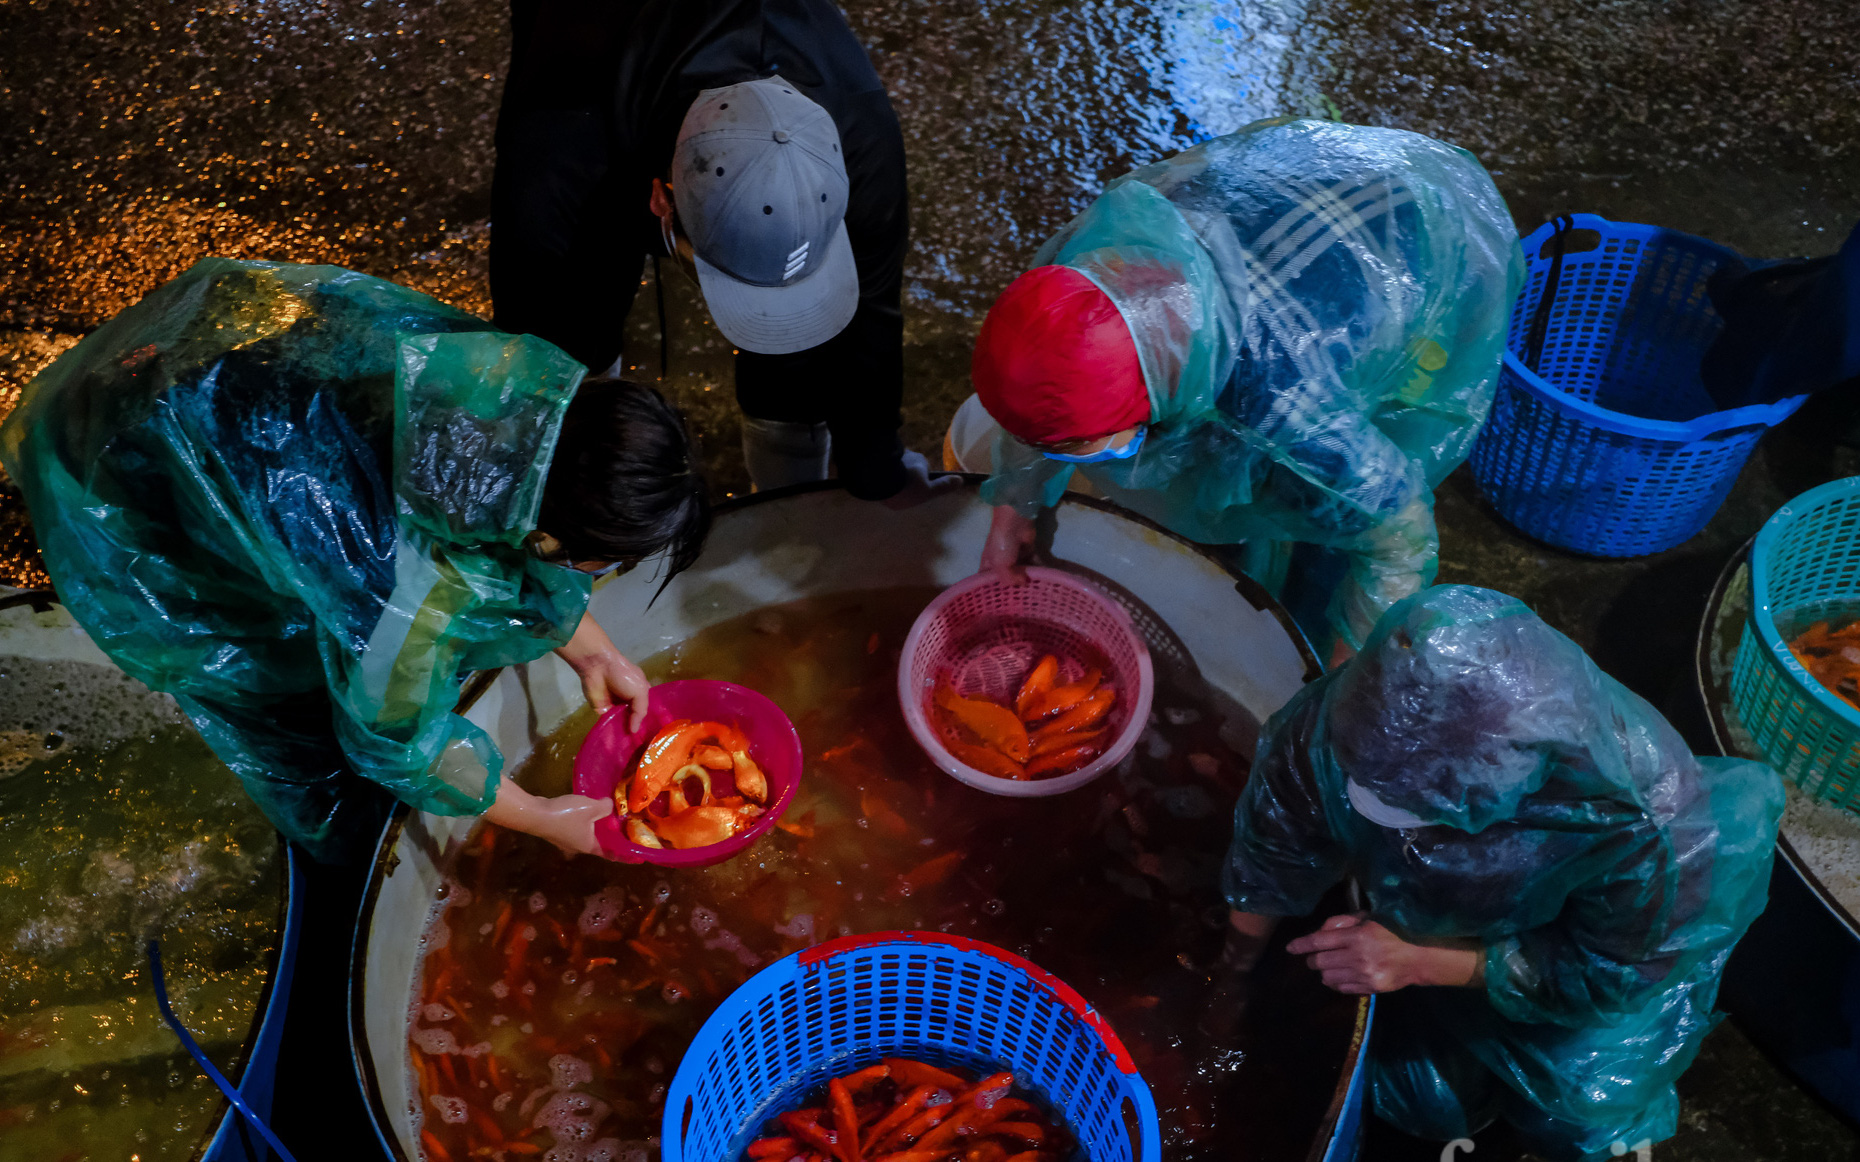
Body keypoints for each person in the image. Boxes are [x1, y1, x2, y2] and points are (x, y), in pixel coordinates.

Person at [0, 259, 711, 864]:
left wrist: (589, 651)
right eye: (600, 560)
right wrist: (541, 816)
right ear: (552, 541)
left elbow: (523, 533)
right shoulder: (404, 592)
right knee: (306, 731)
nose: (589, 577)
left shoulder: (506, 396)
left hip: (200, 377)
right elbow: (398, 739)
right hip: (133, 477)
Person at [1217, 585, 1782, 1159]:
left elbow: (1610, 975)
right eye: (1358, 776)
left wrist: (1423, 962)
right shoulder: (1344, 717)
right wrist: (1232, 970)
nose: (1378, 812)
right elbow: (1276, 844)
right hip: (1443, 927)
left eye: (1423, 807)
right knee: (1425, 1103)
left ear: (1513, 778)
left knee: (1586, 1107)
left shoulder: (1648, 823)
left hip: (1578, 969)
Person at [970, 116, 1524, 657]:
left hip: (1421, 229)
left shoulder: (1282, 402)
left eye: (1077, 446)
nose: (1063, 454)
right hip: (1289, 192)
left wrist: (1350, 673)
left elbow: (1398, 533)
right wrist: (1011, 510)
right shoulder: (1082, 275)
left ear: (1149, 404)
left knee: (1326, 505)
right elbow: (1050, 395)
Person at [491, 0, 954, 507]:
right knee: (575, 323)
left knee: (799, 349)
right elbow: (544, 364)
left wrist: (875, 466)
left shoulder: (860, 134)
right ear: (659, 199)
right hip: (594, 56)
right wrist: (586, 498)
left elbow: (871, 305)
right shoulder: (559, 150)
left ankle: (787, 498)